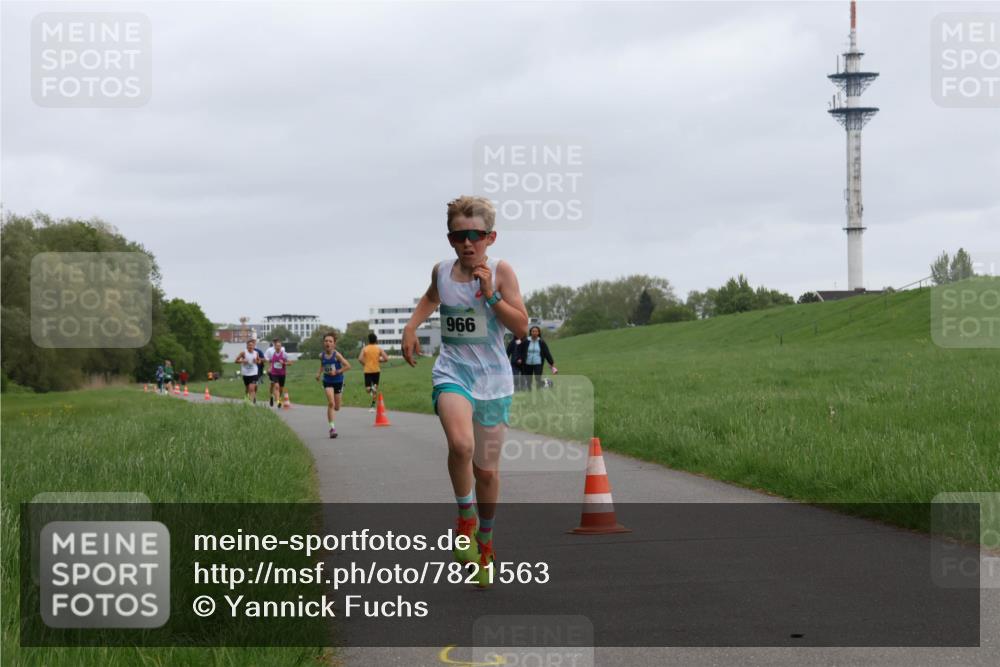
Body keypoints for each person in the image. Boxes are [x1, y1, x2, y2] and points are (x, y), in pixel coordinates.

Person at [402, 195, 528, 587]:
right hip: (452, 373)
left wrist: (491, 294)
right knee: (461, 446)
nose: (467, 243)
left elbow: (522, 327)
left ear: (491, 237)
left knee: (487, 472)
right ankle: (464, 518)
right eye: (458, 236)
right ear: (450, 238)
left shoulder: (503, 271)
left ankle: (486, 542)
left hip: (493, 381)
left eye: (475, 235)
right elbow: (429, 298)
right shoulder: (442, 271)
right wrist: (410, 327)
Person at [315, 332, 351, 438]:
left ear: (334, 344)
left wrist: (337, 371)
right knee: (331, 403)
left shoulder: (337, 355)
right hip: (327, 381)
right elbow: (323, 365)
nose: (328, 343)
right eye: (326, 341)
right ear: (323, 343)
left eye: (330, 341)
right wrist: (318, 374)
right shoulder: (321, 355)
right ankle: (332, 429)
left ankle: (340, 392)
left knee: (337, 407)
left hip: (338, 381)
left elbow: (348, 366)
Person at [515, 326, 557, 391]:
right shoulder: (526, 341)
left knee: (538, 378)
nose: (534, 333)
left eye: (536, 331)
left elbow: (546, 352)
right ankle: (529, 390)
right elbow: (519, 349)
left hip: (538, 363)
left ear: (538, 333)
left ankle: (539, 389)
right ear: (531, 332)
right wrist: (519, 358)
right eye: (533, 331)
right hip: (527, 363)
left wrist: (551, 362)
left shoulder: (541, 342)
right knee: (529, 379)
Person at [358, 333, 389, 411]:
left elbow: (360, 359)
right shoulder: (379, 348)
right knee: (374, 389)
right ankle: (372, 405)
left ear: (369, 340)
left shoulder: (365, 348)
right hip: (376, 371)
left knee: (368, 389)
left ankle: (372, 404)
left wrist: (365, 364)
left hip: (368, 371)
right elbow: (386, 358)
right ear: (376, 340)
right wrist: (379, 360)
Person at [265, 338, 293, 407]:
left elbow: (290, 363)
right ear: (274, 346)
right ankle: (278, 401)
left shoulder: (284, 354)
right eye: (276, 346)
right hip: (274, 373)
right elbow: (269, 361)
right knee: (276, 387)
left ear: (281, 347)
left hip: (282, 374)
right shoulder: (271, 353)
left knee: (281, 389)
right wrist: (269, 368)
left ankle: (278, 398)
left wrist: (284, 363)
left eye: (279, 346)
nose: (277, 347)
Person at [234, 339, 261, 404]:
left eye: (252, 345)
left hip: (254, 373)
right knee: (247, 388)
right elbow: (236, 361)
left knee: (252, 388)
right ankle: (247, 397)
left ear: (254, 346)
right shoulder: (243, 353)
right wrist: (242, 361)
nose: (250, 346)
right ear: (247, 346)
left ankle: (250, 402)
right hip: (246, 373)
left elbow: (259, 361)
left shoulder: (256, 353)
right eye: (249, 345)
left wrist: (256, 361)